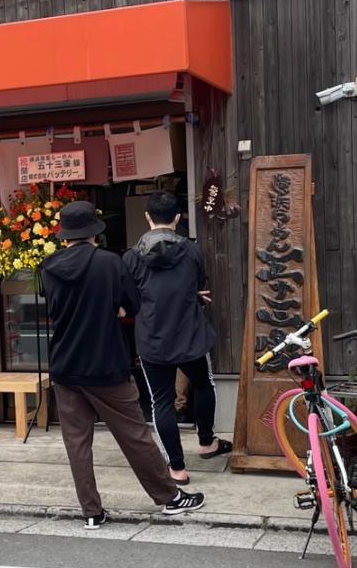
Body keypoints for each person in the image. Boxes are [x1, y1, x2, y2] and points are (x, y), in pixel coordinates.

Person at [41, 199, 205, 530]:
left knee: (77, 442)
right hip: (106, 362)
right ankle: (169, 498)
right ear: (94, 232)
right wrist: (115, 309)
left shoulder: (48, 266)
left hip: (65, 363)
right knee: (134, 434)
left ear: (65, 234)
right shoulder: (110, 263)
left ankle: (91, 511)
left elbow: (54, 307)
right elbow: (131, 304)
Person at [123, 190, 232, 484]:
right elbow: (196, 285)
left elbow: (131, 299)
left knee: (162, 401)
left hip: (152, 339)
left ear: (147, 217)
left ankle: (176, 468)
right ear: (178, 218)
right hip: (191, 336)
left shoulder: (131, 258)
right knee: (203, 384)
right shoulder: (192, 251)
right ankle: (207, 442)